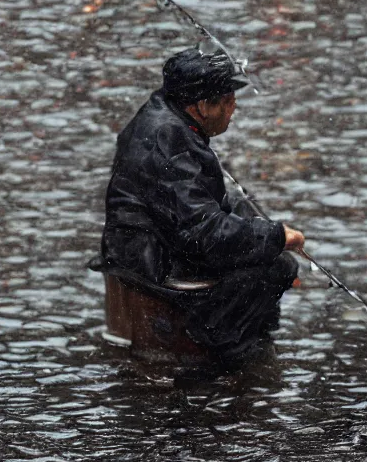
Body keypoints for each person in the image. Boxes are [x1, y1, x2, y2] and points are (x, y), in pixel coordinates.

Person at [102, 48, 304, 367]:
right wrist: (276, 237)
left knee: (251, 225)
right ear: (201, 106)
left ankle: (247, 334)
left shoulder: (165, 113)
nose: (233, 107)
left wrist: (254, 226)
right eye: (226, 100)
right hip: (152, 255)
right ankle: (215, 343)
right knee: (277, 266)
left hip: (149, 237)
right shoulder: (169, 141)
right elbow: (203, 233)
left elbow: (198, 205)